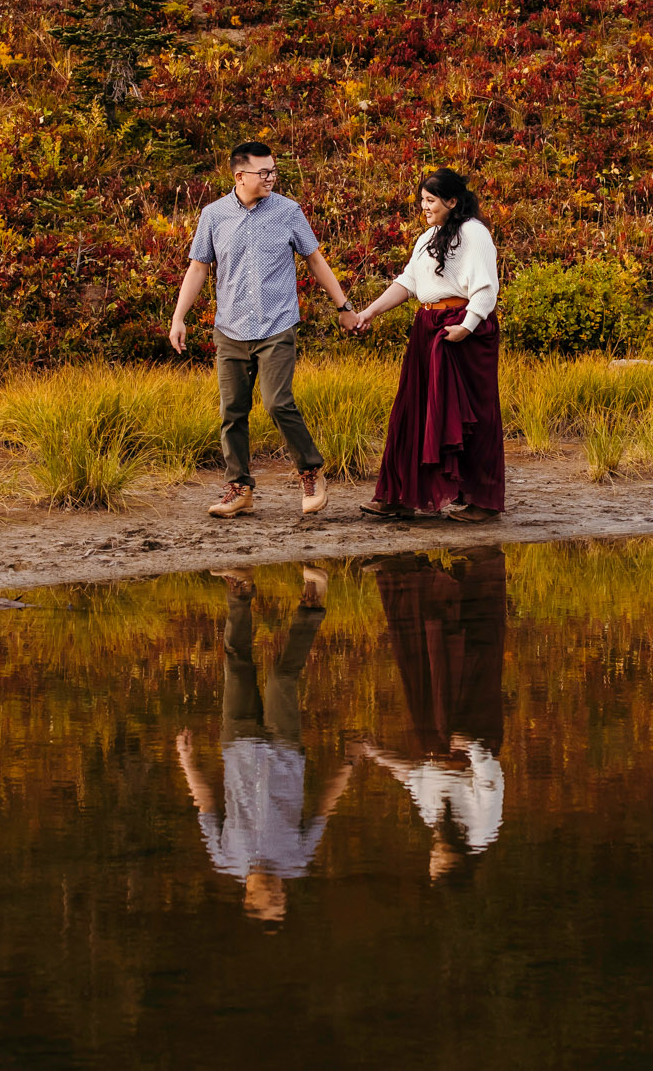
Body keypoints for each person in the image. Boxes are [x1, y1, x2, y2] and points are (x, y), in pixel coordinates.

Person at [169, 142, 359, 519]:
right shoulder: (214, 215)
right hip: (231, 329)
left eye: (274, 171)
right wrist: (178, 317)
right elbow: (198, 269)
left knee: (277, 402)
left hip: (277, 325)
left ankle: (311, 471)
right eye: (264, 172)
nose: (271, 177)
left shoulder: (288, 211)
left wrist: (344, 307)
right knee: (232, 412)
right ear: (240, 176)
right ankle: (239, 488)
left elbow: (314, 259)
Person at [175, 565, 353, 924]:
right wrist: (350, 764)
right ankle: (312, 603)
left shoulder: (225, 858)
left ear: (248, 896)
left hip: (238, 744)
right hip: (285, 747)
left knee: (236, 662)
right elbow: (322, 810)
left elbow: (207, 806)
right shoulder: (297, 860)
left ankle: (240, 590)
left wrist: (186, 761)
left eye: (270, 898)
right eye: (281, 897)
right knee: (280, 678)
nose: (277, 891)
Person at [352, 168, 505, 522]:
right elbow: (408, 282)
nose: (424, 206)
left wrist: (466, 327)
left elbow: (485, 288)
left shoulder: (475, 234)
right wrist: (370, 311)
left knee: (473, 417)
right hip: (428, 329)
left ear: (452, 201)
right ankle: (401, 493)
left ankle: (482, 501)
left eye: (431, 200)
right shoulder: (427, 237)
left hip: (465, 331)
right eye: (422, 200)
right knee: (414, 411)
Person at [353, 549, 508, 884]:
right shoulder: (481, 829)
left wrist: (374, 751)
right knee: (472, 648)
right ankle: (479, 564)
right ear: (457, 863)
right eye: (440, 862)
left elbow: (414, 778)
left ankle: (405, 571)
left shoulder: (436, 823)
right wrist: (472, 746)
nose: (434, 855)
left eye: (432, 860)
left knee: (419, 650)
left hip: (434, 736)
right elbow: (491, 781)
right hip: (470, 733)